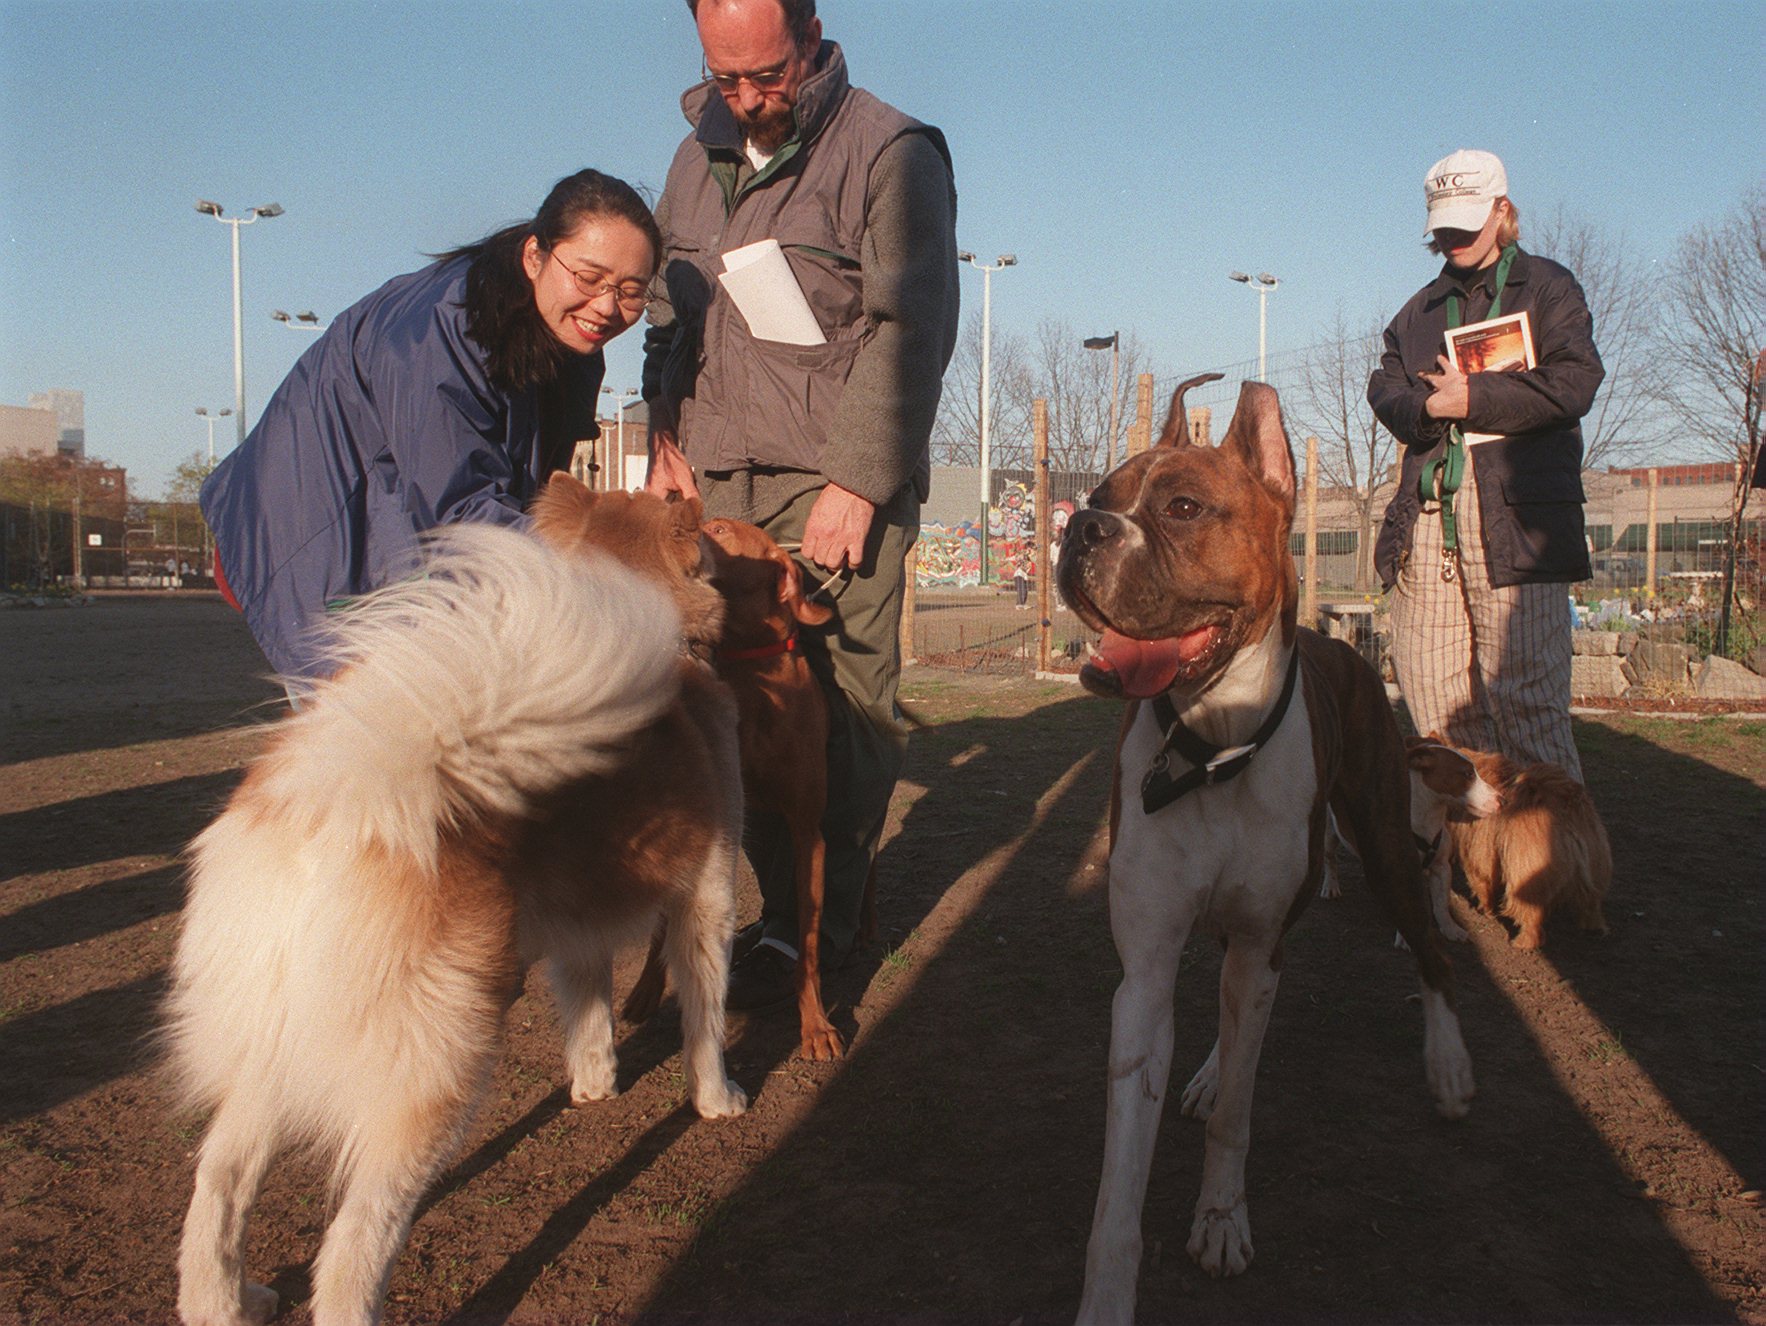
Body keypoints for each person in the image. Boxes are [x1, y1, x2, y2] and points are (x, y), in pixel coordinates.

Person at [643, 0, 960, 1007]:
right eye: (722, 76)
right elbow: (665, 316)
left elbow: (910, 327)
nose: (744, 98)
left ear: (812, 32)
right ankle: (757, 921)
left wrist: (859, 480)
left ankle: (808, 926)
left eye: (765, 75)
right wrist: (660, 435)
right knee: (723, 711)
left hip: (833, 485)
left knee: (847, 709)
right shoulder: (693, 157)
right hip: (713, 483)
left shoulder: (890, 149)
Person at [202, 170, 659, 681]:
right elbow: (459, 511)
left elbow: (536, 497)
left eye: (630, 292)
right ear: (535, 256)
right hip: (319, 531)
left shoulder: (568, 337)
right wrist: (611, 561)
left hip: (409, 530)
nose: (605, 306)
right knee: (379, 737)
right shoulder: (440, 333)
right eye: (589, 277)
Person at [1368, 149, 1603, 781]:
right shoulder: (1414, 314)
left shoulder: (1549, 288)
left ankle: (1553, 874)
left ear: (1503, 211)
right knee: (1437, 712)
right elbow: (1385, 388)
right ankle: (1468, 866)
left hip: (1518, 521)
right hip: (1429, 519)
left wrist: (1474, 397)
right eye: (1442, 225)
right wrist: (1428, 410)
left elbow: (1576, 381)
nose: (1453, 238)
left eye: (1467, 222)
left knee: (1529, 705)